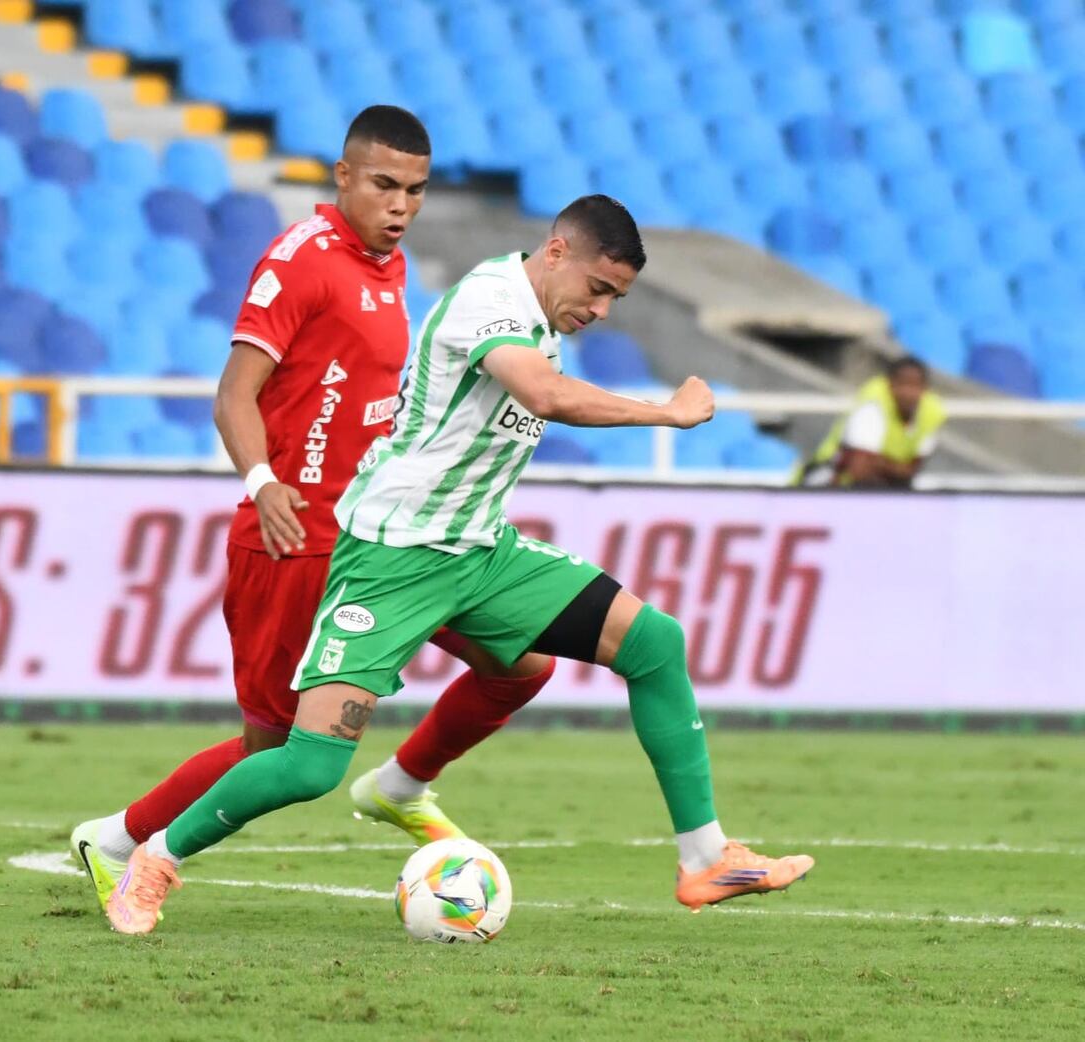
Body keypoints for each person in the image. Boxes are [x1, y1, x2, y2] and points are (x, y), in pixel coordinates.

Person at [104, 195, 815, 935]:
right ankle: (153, 860)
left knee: (653, 642)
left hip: (479, 550)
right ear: (556, 252)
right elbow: (544, 394)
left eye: (617, 299)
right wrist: (663, 412)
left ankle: (702, 858)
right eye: (599, 290)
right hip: (394, 555)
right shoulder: (490, 299)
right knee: (308, 767)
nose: (602, 310)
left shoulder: (543, 317)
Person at [71, 106, 555, 915]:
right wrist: (263, 482)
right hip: (291, 542)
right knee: (276, 754)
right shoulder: (301, 261)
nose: (401, 205)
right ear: (342, 177)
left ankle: (401, 786)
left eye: (416, 190)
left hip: (386, 540)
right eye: (384, 185)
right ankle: (119, 840)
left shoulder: (390, 269)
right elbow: (234, 394)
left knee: (522, 662)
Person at [795, 356, 946, 488]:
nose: (908, 393)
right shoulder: (873, 405)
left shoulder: (931, 412)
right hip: (829, 480)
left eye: (915, 386)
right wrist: (898, 468)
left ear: (925, 389)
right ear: (889, 384)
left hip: (883, 488)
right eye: (902, 384)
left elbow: (912, 471)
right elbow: (859, 470)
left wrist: (879, 463)